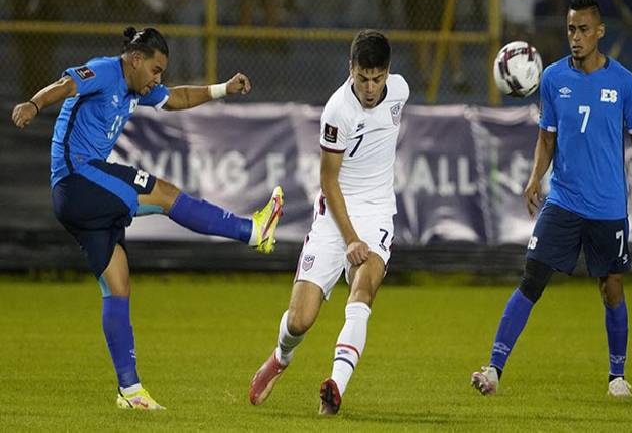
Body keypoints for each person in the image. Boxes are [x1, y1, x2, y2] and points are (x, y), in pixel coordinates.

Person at [11, 27, 284, 410]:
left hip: (77, 196)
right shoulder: (105, 71)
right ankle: (252, 231)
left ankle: (130, 391)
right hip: (79, 179)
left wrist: (223, 88)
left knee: (117, 285)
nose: (158, 79)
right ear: (136, 60)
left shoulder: (138, 86)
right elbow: (64, 85)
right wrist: (34, 105)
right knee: (165, 193)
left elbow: (176, 99)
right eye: (155, 70)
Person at [470, 0, 632, 398]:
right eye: (571, 29)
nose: (576, 36)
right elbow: (546, 138)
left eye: (584, 29)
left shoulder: (623, 82)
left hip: (607, 207)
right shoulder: (552, 79)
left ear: (599, 32)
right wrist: (536, 177)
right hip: (564, 202)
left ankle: (616, 376)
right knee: (532, 277)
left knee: (611, 289)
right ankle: (494, 369)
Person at [248, 30, 409, 415]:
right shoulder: (338, 111)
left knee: (363, 291)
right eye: (363, 77)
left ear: (388, 73)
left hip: (376, 213)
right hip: (334, 215)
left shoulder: (400, 92)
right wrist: (350, 238)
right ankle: (280, 358)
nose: (371, 88)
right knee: (301, 321)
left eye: (378, 78)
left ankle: (334, 387)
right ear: (350, 69)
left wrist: (362, 238)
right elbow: (328, 181)